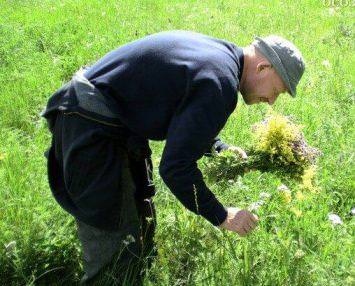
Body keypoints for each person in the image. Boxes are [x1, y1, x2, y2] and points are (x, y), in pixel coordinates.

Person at [40, 30, 305, 285]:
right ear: (263, 68)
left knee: (141, 225)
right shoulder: (221, 82)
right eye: (278, 91)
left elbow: (182, 111)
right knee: (115, 243)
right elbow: (176, 169)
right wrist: (223, 216)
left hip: (105, 116)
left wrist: (217, 147)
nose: (271, 102)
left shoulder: (221, 57)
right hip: (90, 124)